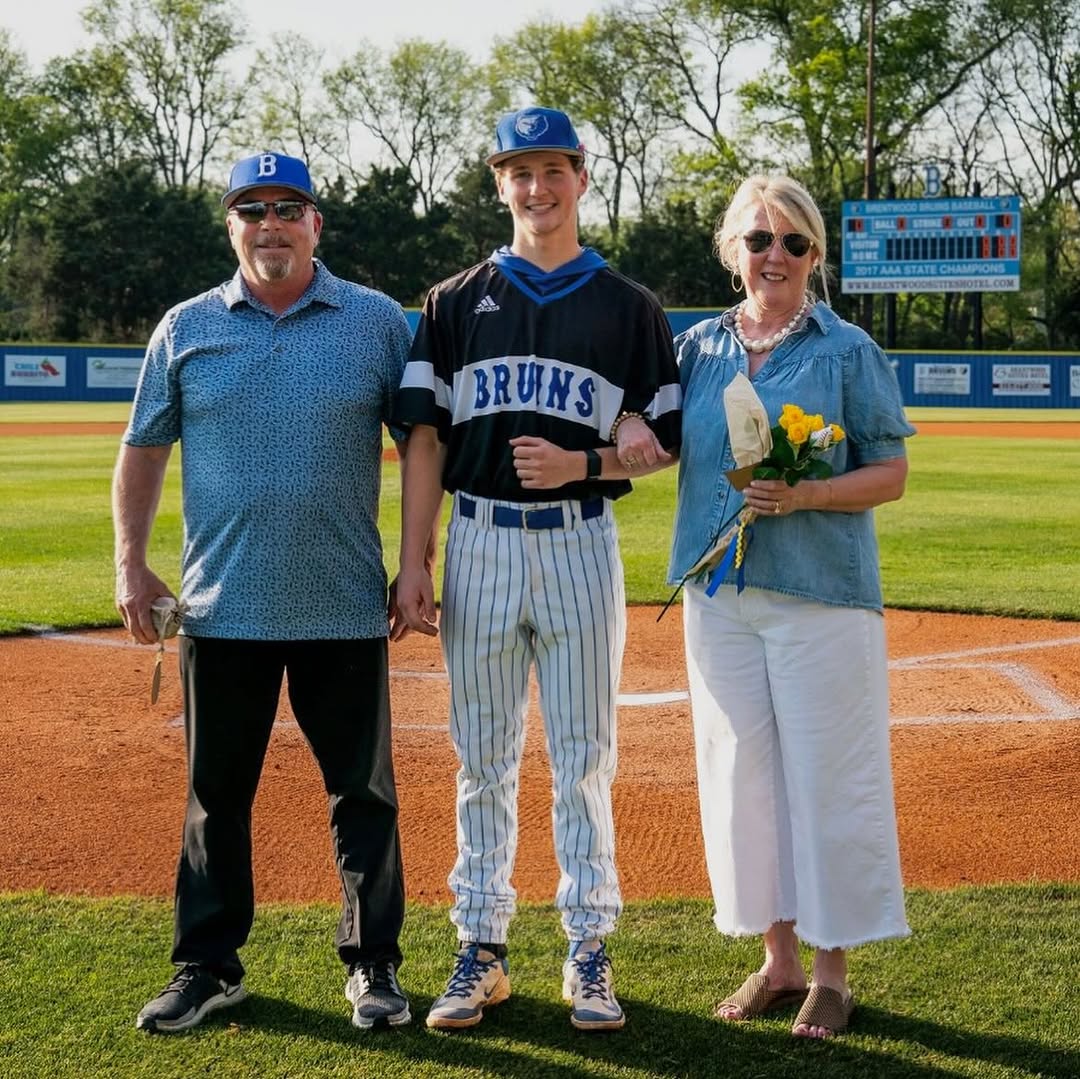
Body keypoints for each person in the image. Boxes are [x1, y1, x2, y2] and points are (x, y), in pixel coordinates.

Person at [391, 106, 681, 1032]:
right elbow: (425, 438)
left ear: (582, 178)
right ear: (499, 184)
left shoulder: (628, 306)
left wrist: (584, 463)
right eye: (519, 171)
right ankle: (481, 944)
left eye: (553, 169)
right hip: (476, 540)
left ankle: (588, 945)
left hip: (580, 540)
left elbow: (663, 440)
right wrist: (415, 558)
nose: (537, 187)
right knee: (482, 757)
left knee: (584, 756)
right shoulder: (453, 300)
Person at [113, 152, 413, 1034]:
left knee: (363, 794)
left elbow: (423, 445)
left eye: (288, 208)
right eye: (252, 210)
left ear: (316, 223)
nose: (270, 225)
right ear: (231, 226)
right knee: (216, 796)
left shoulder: (375, 322)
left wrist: (418, 558)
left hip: (344, 604)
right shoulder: (186, 326)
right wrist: (130, 562)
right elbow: (143, 448)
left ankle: (374, 963)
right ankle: (207, 966)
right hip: (222, 606)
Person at [667, 174, 914, 1039]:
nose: (775, 255)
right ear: (732, 249)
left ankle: (833, 973)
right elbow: (652, 440)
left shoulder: (847, 348)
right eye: (759, 239)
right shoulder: (695, 350)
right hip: (718, 595)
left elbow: (891, 471)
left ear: (814, 254)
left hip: (821, 593)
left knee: (828, 776)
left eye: (794, 241)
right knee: (742, 777)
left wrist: (807, 496)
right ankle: (778, 960)